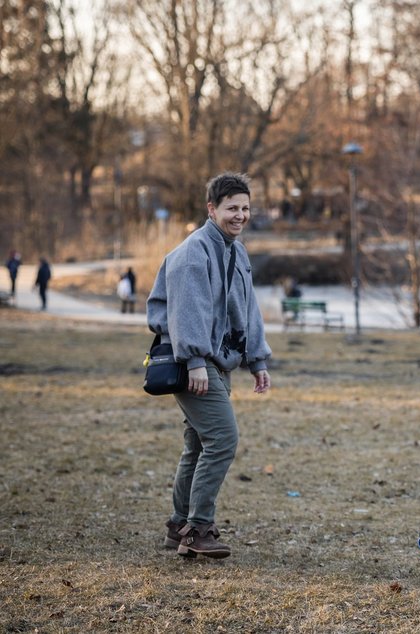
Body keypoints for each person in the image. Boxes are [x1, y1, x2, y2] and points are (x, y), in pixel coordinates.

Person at [147, 172, 272, 559]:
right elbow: (187, 311)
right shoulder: (193, 252)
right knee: (222, 440)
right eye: (232, 208)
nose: (240, 215)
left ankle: (177, 525)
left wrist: (257, 359)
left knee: (199, 445)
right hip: (193, 364)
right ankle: (198, 529)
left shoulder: (236, 251)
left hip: (221, 362)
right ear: (212, 209)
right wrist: (196, 361)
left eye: (245, 208)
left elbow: (246, 309)